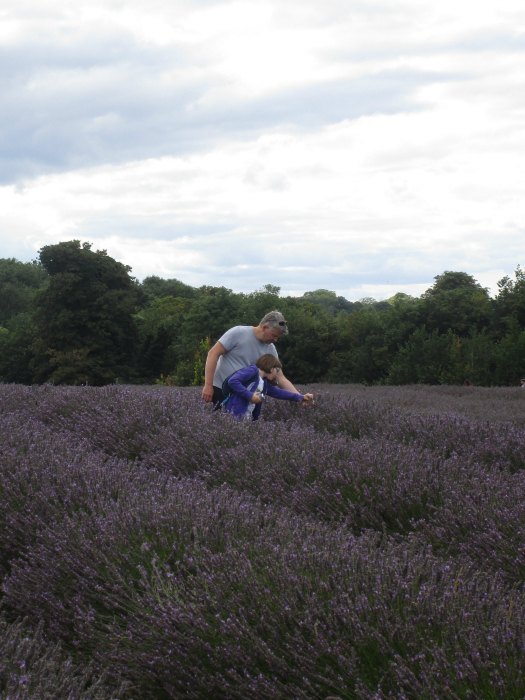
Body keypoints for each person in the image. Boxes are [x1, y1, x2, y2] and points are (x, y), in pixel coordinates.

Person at [202, 310, 300, 407]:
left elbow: (280, 377)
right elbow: (213, 354)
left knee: (241, 422)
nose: (275, 340)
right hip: (221, 389)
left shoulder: (271, 349)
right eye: (274, 335)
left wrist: (300, 397)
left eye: (277, 337)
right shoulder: (238, 332)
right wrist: (208, 385)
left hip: (245, 394)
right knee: (220, 421)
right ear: (265, 327)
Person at [222, 354, 314, 421]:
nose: (277, 374)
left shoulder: (264, 383)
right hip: (235, 413)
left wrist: (301, 397)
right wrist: (250, 396)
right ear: (271, 368)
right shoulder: (253, 370)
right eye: (277, 370)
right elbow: (233, 381)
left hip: (247, 416)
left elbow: (279, 393)